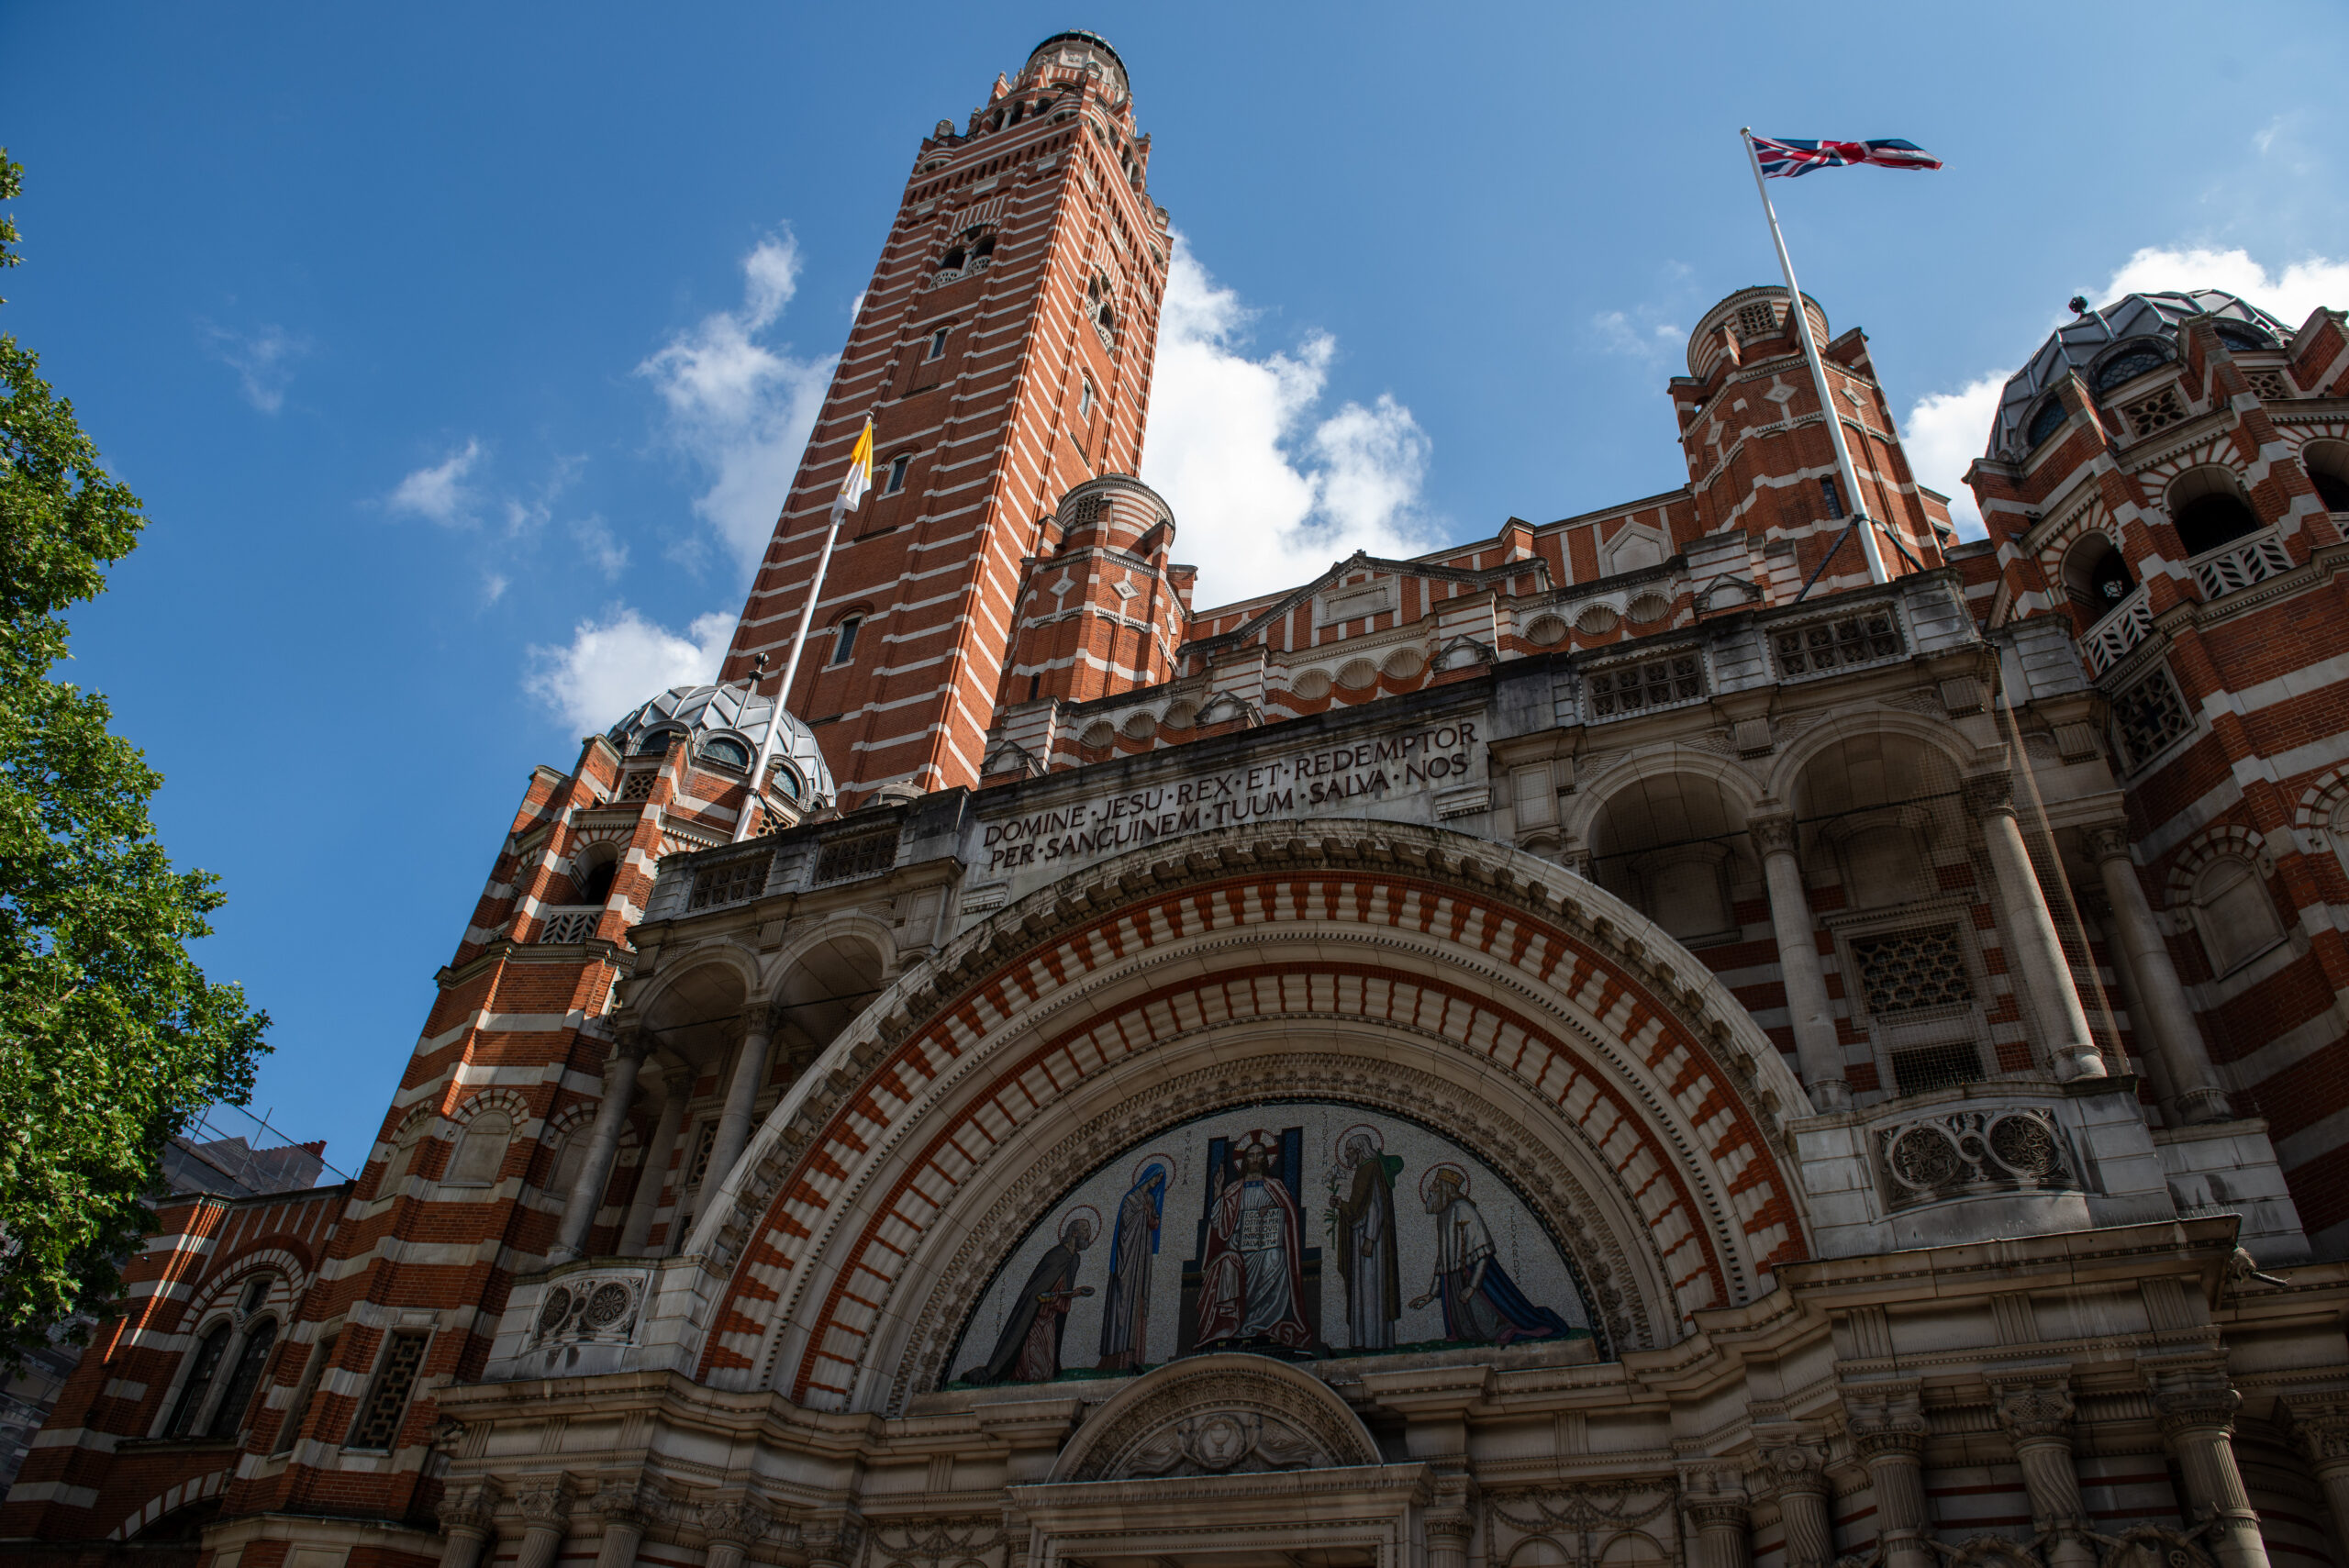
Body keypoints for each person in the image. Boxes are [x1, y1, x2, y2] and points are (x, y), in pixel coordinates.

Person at [1408, 1166, 1575, 1346]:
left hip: (1472, 1274)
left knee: (1490, 1327)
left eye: (1435, 1185)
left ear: (1446, 1188)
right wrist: (1431, 1294)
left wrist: (1472, 1287)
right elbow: (1443, 1257)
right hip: (1453, 1278)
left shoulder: (1463, 1208)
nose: (1430, 1189)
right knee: (1467, 1332)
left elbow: (1483, 1251)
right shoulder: (1444, 1214)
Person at [1194, 1132, 1312, 1352]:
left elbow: (1288, 1214)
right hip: (1238, 1247)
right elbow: (1218, 1223)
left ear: (1266, 1160)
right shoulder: (1234, 1189)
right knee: (1228, 1263)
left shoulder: (1274, 1186)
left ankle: (1261, 1324)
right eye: (1251, 1155)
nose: (1255, 1159)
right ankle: (1230, 1326)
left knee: (1276, 1257)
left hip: (1265, 1245)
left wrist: (1273, 1211)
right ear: (1244, 1160)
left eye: (1260, 1155)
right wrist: (1218, 1192)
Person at [963, 1216, 1095, 1384]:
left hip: (1053, 1316)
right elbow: (1037, 1290)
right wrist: (1048, 1297)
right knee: (1035, 1368)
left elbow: (1063, 1291)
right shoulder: (1056, 1256)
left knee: (1046, 1369)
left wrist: (1076, 1292)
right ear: (1074, 1233)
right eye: (1086, 1231)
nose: (1089, 1235)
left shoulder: (1075, 1259)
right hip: (1036, 1316)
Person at [1330, 1130, 1400, 1351]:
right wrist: (1342, 1205)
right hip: (1361, 1235)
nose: (1346, 1154)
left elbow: (1376, 1206)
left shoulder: (1371, 1169)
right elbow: (1358, 1206)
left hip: (1371, 1241)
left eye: (1349, 1150)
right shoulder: (1364, 1169)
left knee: (1371, 1288)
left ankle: (1373, 1340)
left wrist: (1370, 1238)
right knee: (1363, 1289)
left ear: (1359, 1150)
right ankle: (1362, 1340)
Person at [1097, 1162, 1168, 1370]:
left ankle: (1135, 1357)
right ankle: (1118, 1357)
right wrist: (1142, 1214)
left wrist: (1151, 1216)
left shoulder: (1150, 1199)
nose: (1157, 1181)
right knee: (1126, 1298)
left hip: (1142, 1256)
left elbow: (1154, 1224)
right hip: (1128, 1255)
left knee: (1139, 1299)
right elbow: (1125, 1227)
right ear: (1148, 1176)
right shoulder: (1130, 1199)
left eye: (1160, 1179)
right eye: (1156, 1177)